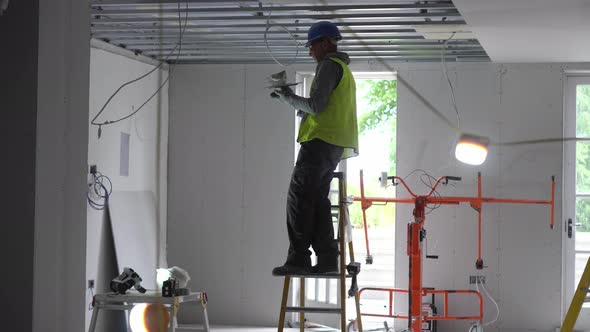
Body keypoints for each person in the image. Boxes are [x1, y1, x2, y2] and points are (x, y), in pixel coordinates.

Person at [270, 21, 358, 275]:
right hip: (332, 147)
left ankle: (298, 258)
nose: (310, 52)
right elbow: (323, 109)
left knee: (298, 200)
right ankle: (328, 258)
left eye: (311, 46)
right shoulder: (343, 69)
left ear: (324, 43)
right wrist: (293, 102)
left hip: (319, 145)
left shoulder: (329, 65)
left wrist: (286, 95)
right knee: (317, 202)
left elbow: (317, 107)